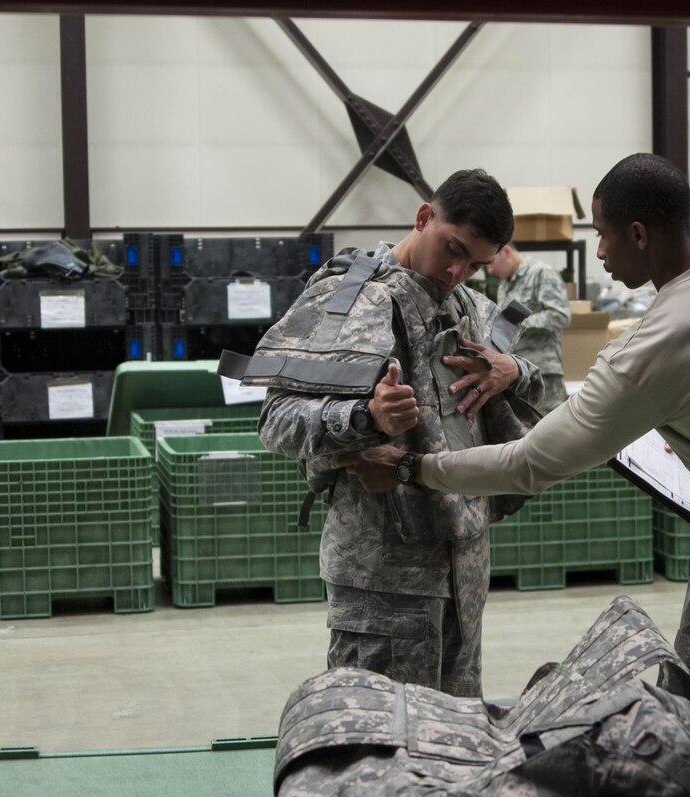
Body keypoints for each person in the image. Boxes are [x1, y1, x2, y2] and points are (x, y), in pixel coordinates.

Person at [348, 153, 690, 710]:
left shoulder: (653, 346)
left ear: (639, 234)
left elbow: (528, 464)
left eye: (604, 234)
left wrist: (412, 467)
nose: (599, 252)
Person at [226, 169, 546, 696]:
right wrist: (363, 421)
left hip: (464, 575)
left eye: (476, 263)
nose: (456, 270)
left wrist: (514, 370)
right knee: (377, 751)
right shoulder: (348, 298)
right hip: (382, 583)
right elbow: (276, 422)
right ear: (423, 217)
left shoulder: (468, 307)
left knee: (454, 747)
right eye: (452, 248)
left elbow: (530, 401)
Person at [486, 243, 572, 413]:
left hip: (542, 372)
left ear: (506, 252)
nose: (489, 270)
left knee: (546, 431)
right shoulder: (504, 284)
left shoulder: (541, 273)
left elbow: (560, 316)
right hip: (516, 373)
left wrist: (516, 323)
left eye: (491, 262)